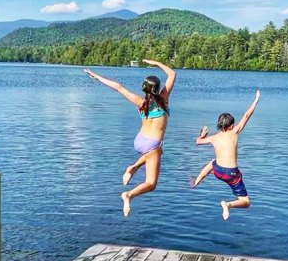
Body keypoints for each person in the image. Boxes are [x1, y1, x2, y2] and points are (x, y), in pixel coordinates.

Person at [84, 59, 176, 216]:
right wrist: (156, 63)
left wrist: (97, 77)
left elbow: (118, 87)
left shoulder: (140, 103)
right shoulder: (164, 100)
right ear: (158, 88)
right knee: (151, 183)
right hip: (152, 144)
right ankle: (129, 195)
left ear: (144, 88)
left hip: (139, 140)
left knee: (158, 151)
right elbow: (172, 73)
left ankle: (133, 167)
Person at [191, 90, 260, 220]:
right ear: (231, 125)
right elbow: (246, 115)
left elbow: (198, 141)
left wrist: (203, 135)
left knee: (213, 162)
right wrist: (255, 101)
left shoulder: (214, 137)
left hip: (218, 172)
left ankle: (196, 181)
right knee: (246, 202)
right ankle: (227, 204)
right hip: (231, 174)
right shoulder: (235, 132)